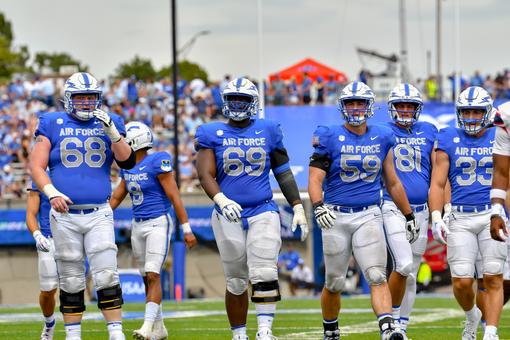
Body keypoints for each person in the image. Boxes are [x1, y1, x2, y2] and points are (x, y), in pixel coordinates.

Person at [195, 77, 309, 340]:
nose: (237, 104)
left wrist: (297, 206)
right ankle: (239, 333)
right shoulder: (211, 132)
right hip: (227, 213)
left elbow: (283, 172)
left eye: (243, 99)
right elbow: (204, 175)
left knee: (265, 270)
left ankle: (265, 331)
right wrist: (221, 200)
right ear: (225, 102)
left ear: (253, 103)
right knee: (235, 279)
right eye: (233, 99)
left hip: (262, 209)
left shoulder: (267, 129)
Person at [30, 72, 136, 340]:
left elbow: (128, 162)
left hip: (99, 210)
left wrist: (113, 132)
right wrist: (51, 191)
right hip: (64, 214)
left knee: (106, 273)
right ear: (69, 98)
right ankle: (73, 334)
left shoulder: (109, 122)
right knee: (71, 277)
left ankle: (115, 332)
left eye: (91, 97)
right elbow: (36, 165)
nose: (87, 102)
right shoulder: (52, 122)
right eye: (80, 97)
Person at [308, 81, 414, 340]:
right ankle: (331, 329)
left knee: (377, 275)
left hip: (369, 214)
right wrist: (318, 206)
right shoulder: (329, 135)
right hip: (336, 214)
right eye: (350, 103)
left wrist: (408, 214)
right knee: (334, 282)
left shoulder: (382, 136)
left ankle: (388, 327)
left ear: (369, 107)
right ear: (342, 106)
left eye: (360, 103)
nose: (355, 108)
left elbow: (392, 181)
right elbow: (314, 179)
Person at [429, 86, 507, 340]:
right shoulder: (448, 136)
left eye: (476, 111)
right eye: (467, 111)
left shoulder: (500, 135)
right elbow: (438, 183)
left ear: (487, 112)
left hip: (491, 214)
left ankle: (491, 332)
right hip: (460, 217)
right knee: (462, 282)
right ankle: (472, 313)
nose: (471, 116)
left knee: (492, 277)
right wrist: (436, 216)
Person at [110, 121, 198, 339]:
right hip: (137, 224)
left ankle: (147, 328)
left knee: (153, 273)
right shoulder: (127, 167)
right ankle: (159, 328)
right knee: (145, 277)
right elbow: (116, 197)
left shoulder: (158, 160)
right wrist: (98, 215)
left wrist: (186, 227)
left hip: (158, 222)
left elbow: (174, 196)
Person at [381, 84, 438, 336]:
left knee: (412, 273)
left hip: (422, 209)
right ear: (392, 107)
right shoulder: (381, 132)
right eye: (400, 105)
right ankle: (391, 322)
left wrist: (439, 210)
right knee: (402, 265)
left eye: (410, 106)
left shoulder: (429, 131)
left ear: (418, 108)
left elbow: (438, 174)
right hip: (391, 206)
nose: (405, 110)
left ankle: (401, 327)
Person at [26, 177, 58, 340]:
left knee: (73, 286)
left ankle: (73, 332)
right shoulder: (39, 177)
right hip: (48, 237)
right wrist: (37, 235)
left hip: (73, 236)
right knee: (48, 290)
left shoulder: (74, 172)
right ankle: (49, 323)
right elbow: (31, 213)